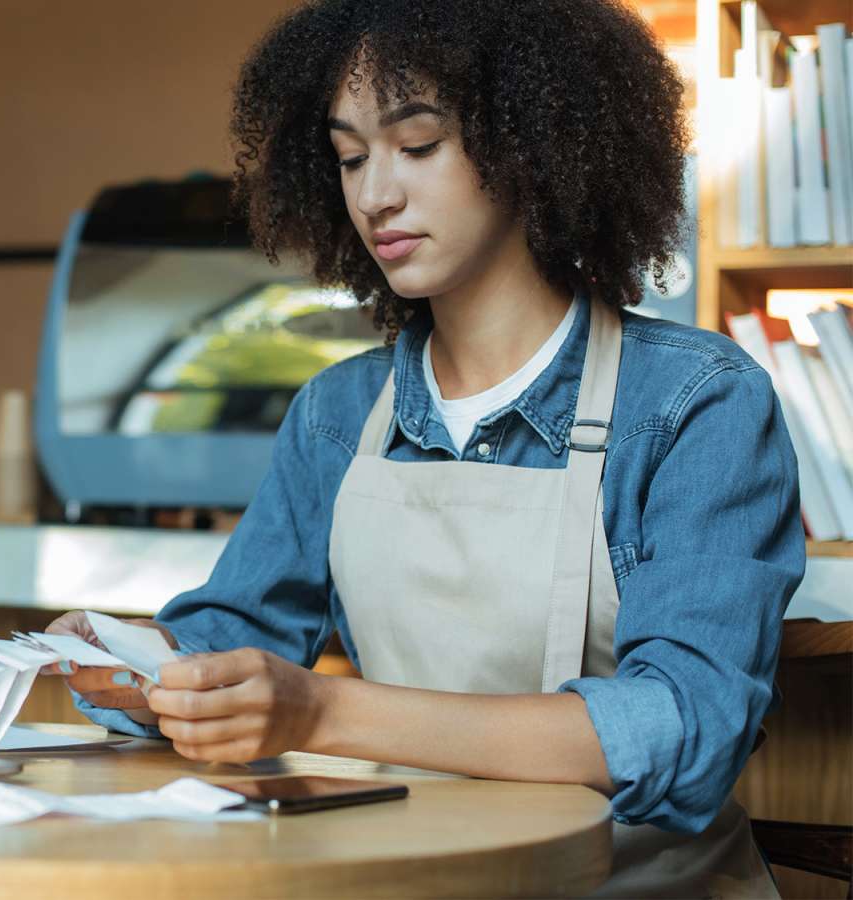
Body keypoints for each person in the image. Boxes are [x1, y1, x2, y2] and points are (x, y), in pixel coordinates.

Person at [43, 0, 805, 895]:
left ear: (534, 140)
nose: (375, 196)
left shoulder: (695, 403)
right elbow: (235, 633)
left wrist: (321, 711)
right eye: (351, 158)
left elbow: (682, 728)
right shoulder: (340, 412)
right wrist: (141, 666)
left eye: (418, 144)